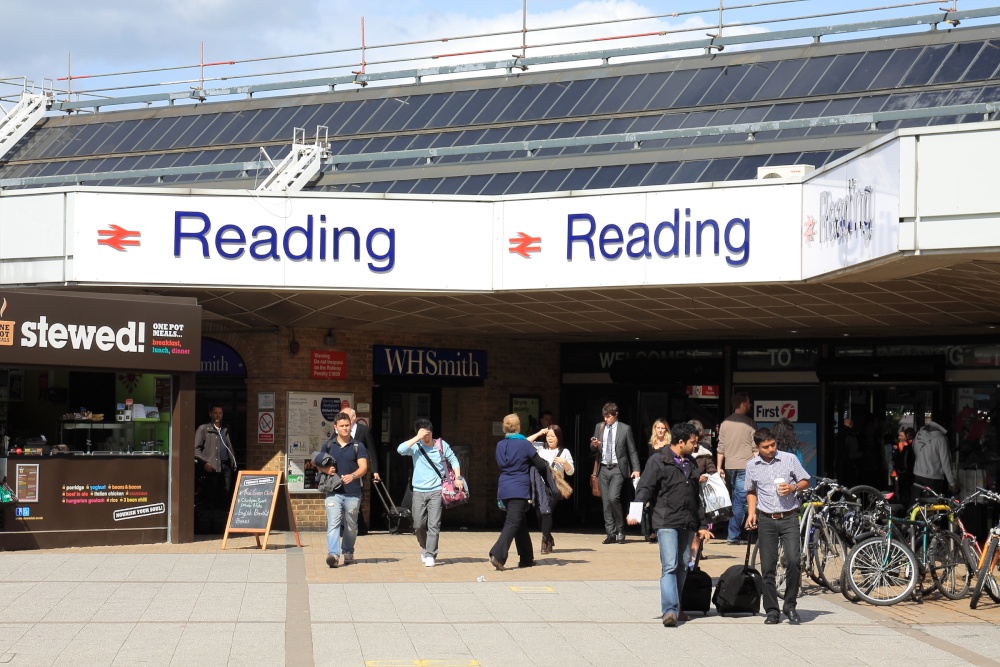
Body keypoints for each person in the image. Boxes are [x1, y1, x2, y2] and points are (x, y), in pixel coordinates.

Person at [628, 422, 712, 627]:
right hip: (666, 520)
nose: (696, 445)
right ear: (681, 442)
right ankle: (669, 610)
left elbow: (697, 496)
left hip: (687, 521)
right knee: (670, 566)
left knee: (683, 565)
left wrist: (702, 525)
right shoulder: (659, 460)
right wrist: (635, 512)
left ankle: (677, 606)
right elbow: (644, 488)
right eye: (693, 442)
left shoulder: (691, 463)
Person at [744, 427, 811, 625]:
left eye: (773, 445)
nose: (771, 449)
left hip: (789, 517)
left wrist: (792, 487)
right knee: (768, 567)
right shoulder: (752, 465)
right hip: (766, 519)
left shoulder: (789, 459)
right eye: (766, 447)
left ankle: (790, 606)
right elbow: (751, 490)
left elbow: (805, 480)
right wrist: (751, 513)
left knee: (793, 561)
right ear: (758, 447)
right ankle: (772, 610)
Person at [489, 413, 553, 571]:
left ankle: (526, 558)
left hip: (504, 487)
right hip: (519, 488)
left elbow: (501, 464)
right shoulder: (524, 444)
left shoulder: (500, 445)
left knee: (520, 523)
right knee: (513, 522)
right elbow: (541, 465)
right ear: (518, 427)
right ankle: (497, 554)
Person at [396, 419, 463, 568]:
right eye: (422, 433)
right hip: (418, 491)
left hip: (436, 490)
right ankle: (425, 547)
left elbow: (454, 460)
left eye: (428, 433)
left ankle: (430, 554)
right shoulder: (415, 446)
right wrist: (417, 438)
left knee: (434, 524)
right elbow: (400, 450)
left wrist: (458, 478)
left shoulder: (441, 445)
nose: (426, 436)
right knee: (418, 524)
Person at [314, 411, 368, 568]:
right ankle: (333, 555)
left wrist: (353, 475)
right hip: (333, 491)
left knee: (351, 526)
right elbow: (317, 464)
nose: (345, 428)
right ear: (335, 427)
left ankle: (348, 551)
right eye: (342, 426)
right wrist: (326, 470)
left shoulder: (358, 446)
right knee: (333, 523)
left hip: (353, 492)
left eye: (347, 425)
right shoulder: (328, 445)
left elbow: (363, 467)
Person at [590, 402, 641, 544]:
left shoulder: (625, 429)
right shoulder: (599, 427)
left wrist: (636, 469)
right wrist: (594, 445)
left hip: (618, 468)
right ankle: (610, 533)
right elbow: (592, 448)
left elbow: (632, 450)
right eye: (604, 416)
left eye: (608, 416)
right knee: (606, 501)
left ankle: (620, 529)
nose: (606, 419)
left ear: (616, 415)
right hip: (603, 468)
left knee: (613, 498)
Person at [716, 392, 756, 546]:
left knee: (735, 499)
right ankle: (733, 536)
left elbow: (721, 448)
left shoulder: (725, 423)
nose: (750, 405)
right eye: (748, 403)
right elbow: (755, 449)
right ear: (743, 404)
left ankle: (735, 532)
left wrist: (719, 467)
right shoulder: (750, 423)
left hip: (729, 467)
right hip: (745, 466)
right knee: (739, 502)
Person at [528, 424, 574, 554]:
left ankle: (544, 542)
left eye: (553, 436)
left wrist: (565, 463)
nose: (550, 438)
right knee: (539, 514)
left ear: (558, 437)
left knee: (546, 512)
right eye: (548, 436)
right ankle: (548, 536)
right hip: (539, 486)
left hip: (554, 488)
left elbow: (571, 472)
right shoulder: (539, 448)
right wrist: (539, 433)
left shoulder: (564, 452)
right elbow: (524, 443)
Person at [194, 404, 238, 513]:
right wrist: (204, 463)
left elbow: (229, 446)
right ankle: (211, 516)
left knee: (226, 492)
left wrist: (233, 461)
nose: (218, 415)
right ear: (210, 414)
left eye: (220, 413)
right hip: (212, 466)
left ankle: (223, 515)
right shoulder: (204, 429)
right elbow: (195, 449)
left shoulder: (225, 429)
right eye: (215, 413)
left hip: (226, 465)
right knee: (212, 494)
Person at [688, 419, 717, 562]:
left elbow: (712, 472)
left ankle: (695, 556)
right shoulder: (680, 453)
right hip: (685, 495)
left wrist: (706, 476)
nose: (695, 442)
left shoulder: (705, 452)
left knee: (699, 525)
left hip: (700, 495)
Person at [912, 417, 957, 497]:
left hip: (918, 475)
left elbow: (914, 450)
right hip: (933, 478)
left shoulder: (919, 433)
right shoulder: (941, 438)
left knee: (918, 502)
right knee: (932, 503)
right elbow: (945, 462)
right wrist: (952, 483)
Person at [644, 418, 671, 541]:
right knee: (651, 504)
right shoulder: (651, 444)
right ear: (654, 429)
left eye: (662, 428)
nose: (660, 430)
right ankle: (653, 530)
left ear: (666, 430)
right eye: (658, 428)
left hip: (664, 477)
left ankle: (661, 528)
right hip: (652, 477)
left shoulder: (669, 445)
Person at [892, 427, 916, 507]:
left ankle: (904, 506)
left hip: (906, 473)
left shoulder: (908, 446)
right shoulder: (899, 446)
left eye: (902, 436)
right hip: (902, 473)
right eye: (899, 436)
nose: (900, 437)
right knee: (902, 491)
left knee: (905, 491)